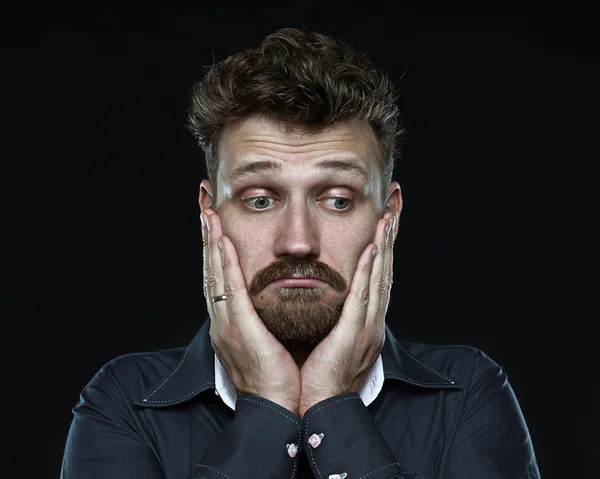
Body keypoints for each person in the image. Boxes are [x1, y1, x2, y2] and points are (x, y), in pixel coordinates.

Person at [61, 28, 540, 479]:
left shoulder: (467, 392)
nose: (297, 242)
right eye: (260, 200)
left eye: (337, 200)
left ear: (387, 216)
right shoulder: (125, 400)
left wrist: (332, 403)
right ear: (210, 212)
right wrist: (267, 409)